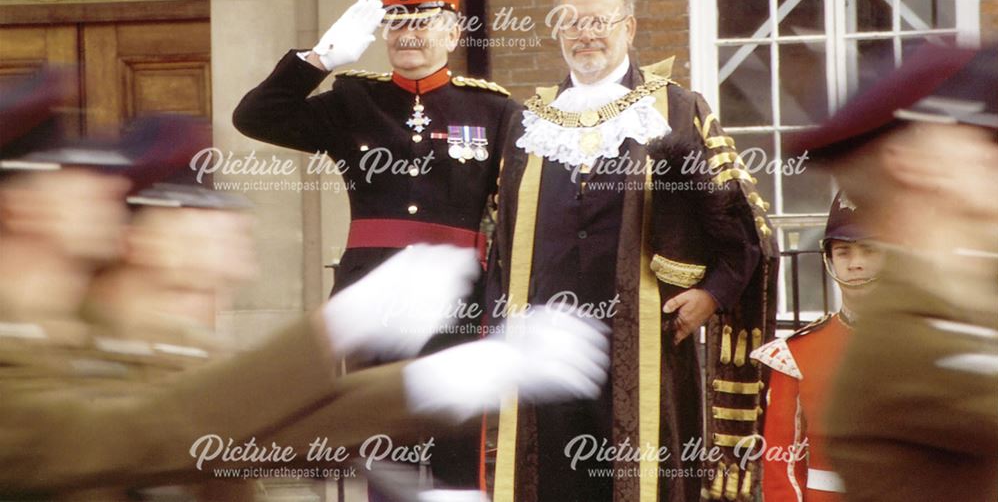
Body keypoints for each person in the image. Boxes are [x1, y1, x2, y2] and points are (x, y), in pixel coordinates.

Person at [0, 73, 610, 499]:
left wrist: (445, 377)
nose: (100, 194)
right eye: (71, 179)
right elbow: (149, 433)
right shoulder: (46, 350)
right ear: (17, 205)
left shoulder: (90, 340)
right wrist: (340, 327)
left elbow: (267, 433)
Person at [485, 0, 778, 502]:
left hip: (644, 342)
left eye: (599, 19)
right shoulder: (527, 120)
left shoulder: (678, 110)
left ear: (631, 27)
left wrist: (712, 294)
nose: (584, 33)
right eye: (570, 21)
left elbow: (740, 222)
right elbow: (501, 240)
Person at [788, 42, 998, 501]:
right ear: (910, 162)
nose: (992, 151)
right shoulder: (910, 344)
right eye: (980, 134)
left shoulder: (961, 299)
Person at [233, 0, 520, 290]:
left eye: (422, 24)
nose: (406, 35)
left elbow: (521, 206)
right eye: (395, 23)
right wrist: (320, 60)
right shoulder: (353, 101)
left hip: (458, 290)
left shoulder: (494, 111)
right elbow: (255, 117)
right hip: (367, 286)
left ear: (452, 37)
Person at [751, 192, 884, 501]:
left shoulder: (920, 343)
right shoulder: (796, 354)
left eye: (869, 250)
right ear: (829, 260)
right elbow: (781, 469)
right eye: (843, 252)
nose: (856, 264)